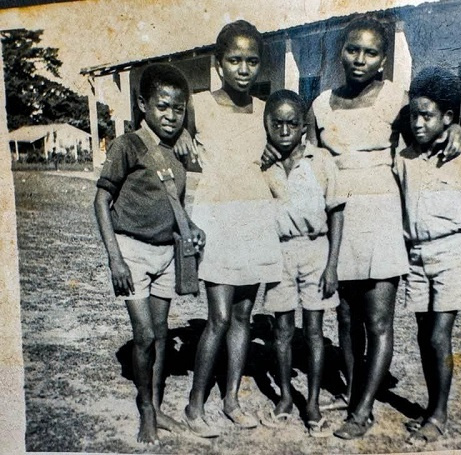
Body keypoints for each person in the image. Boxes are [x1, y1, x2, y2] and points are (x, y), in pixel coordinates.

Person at [262, 16, 461, 439]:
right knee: (346, 319)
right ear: (341, 51)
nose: (360, 59)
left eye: (371, 52)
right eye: (352, 49)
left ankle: (364, 411)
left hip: (381, 216)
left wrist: (458, 128)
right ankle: (354, 395)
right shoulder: (318, 105)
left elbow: (432, 127)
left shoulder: (397, 99)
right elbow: (304, 158)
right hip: (337, 220)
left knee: (378, 322)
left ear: (383, 59)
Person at [94, 63, 204, 445]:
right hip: (132, 253)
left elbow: (173, 205)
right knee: (142, 335)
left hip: (165, 255)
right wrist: (115, 259)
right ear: (143, 105)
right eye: (162, 107)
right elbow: (101, 200)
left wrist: (191, 228)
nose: (171, 116)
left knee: (159, 334)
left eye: (178, 109)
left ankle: (156, 408)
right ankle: (145, 411)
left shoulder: (178, 151)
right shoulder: (128, 145)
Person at [182, 20, 282, 437]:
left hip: (256, 220)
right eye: (234, 60)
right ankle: (193, 405)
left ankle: (232, 401)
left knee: (243, 315)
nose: (243, 69)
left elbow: (300, 144)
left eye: (252, 61)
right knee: (219, 318)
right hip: (216, 222)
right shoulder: (197, 104)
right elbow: (158, 130)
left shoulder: (266, 111)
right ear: (217, 63)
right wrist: (181, 138)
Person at [393, 66, 461, 447]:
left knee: (439, 336)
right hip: (416, 257)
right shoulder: (403, 157)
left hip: (453, 252)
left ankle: (438, 416)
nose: (418, 123)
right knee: (424, 336)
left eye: (428, 116)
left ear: (448, 119)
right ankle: (431, 407)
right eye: (414, 115)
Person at [259, 90, 345, 437]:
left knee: (313, 332)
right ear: (266, 125)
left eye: (291, 123)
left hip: (316, 251)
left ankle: (311, 402)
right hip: (279, 252)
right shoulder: (262, 164)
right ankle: (284, 398)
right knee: (280, 331)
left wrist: (333, 265)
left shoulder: (322, 160)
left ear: (303, 126)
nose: (284, 130)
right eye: (276, 123)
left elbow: (336, 212)